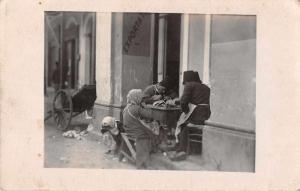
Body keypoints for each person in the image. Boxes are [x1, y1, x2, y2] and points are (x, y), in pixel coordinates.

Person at [170, 70, 211, 161]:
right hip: (206, 114)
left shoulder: (190, 85)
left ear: (187, 80)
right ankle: (180, 146)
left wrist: (185, 111)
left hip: (197, 113)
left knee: (182, 124)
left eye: (185, 82)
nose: (185, 84)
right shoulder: (206, 87)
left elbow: (183, 102)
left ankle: (182, 149)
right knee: (184, 122)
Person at [122, 89, 156, 169]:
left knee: (147, 130)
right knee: (150, 133)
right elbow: (150, 115)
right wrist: (145, 106)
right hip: (136, 133)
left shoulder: (127, 107)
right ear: (136, 98)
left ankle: (150, 151)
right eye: (140, 98)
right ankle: (143, 162)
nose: (141, 99)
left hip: (128, 130)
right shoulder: (136, 108)